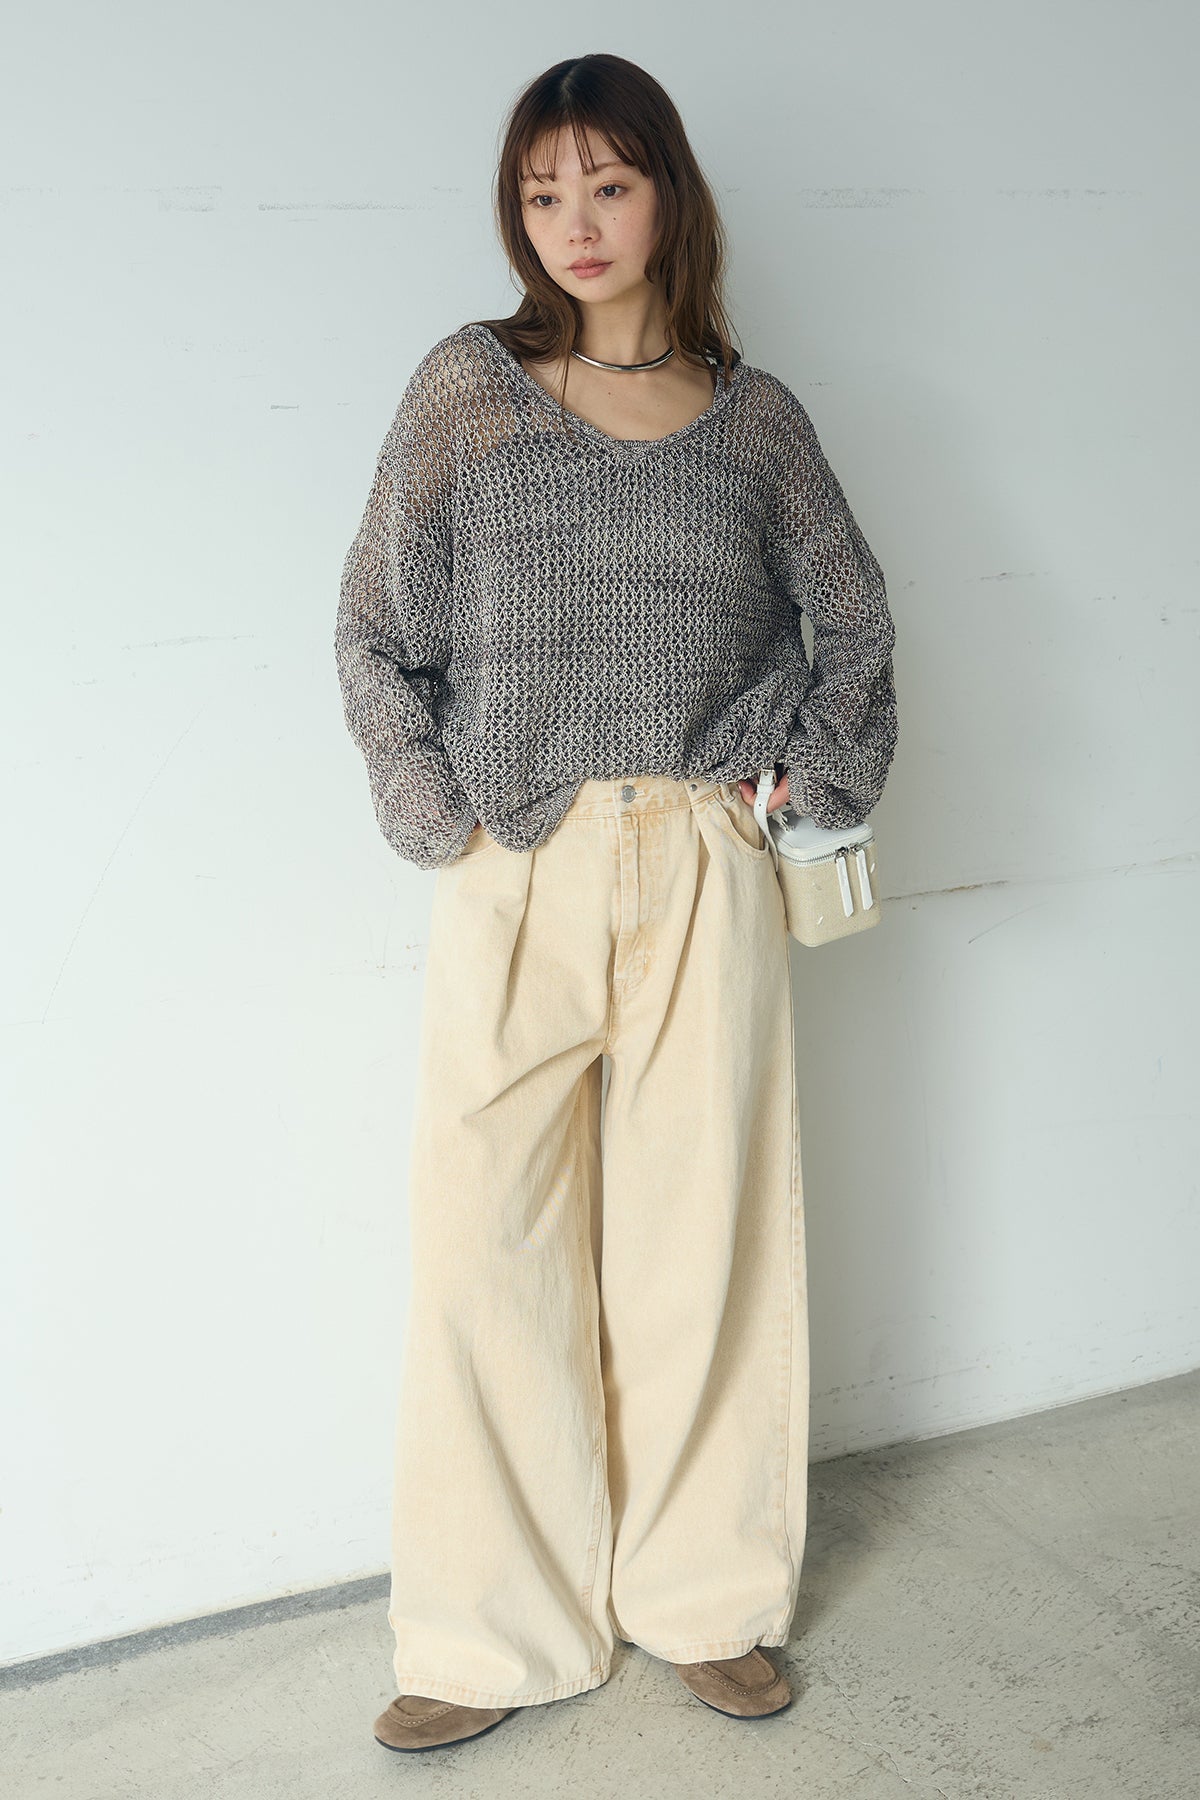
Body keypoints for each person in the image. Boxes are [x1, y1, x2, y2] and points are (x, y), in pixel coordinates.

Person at [334, 52, 899, 1754]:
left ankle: (705, 1600)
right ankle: (484, 1631)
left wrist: (800, 778)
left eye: (607, 183)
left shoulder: (757, 420)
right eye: (541, 192)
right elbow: (373, 627)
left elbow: (857, 626)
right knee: (485, 1244)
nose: (574, 223)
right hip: (521, 856)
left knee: (701, 1245)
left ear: (668, 193)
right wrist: (439, 816)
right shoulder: (469, 390)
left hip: (704, 865)